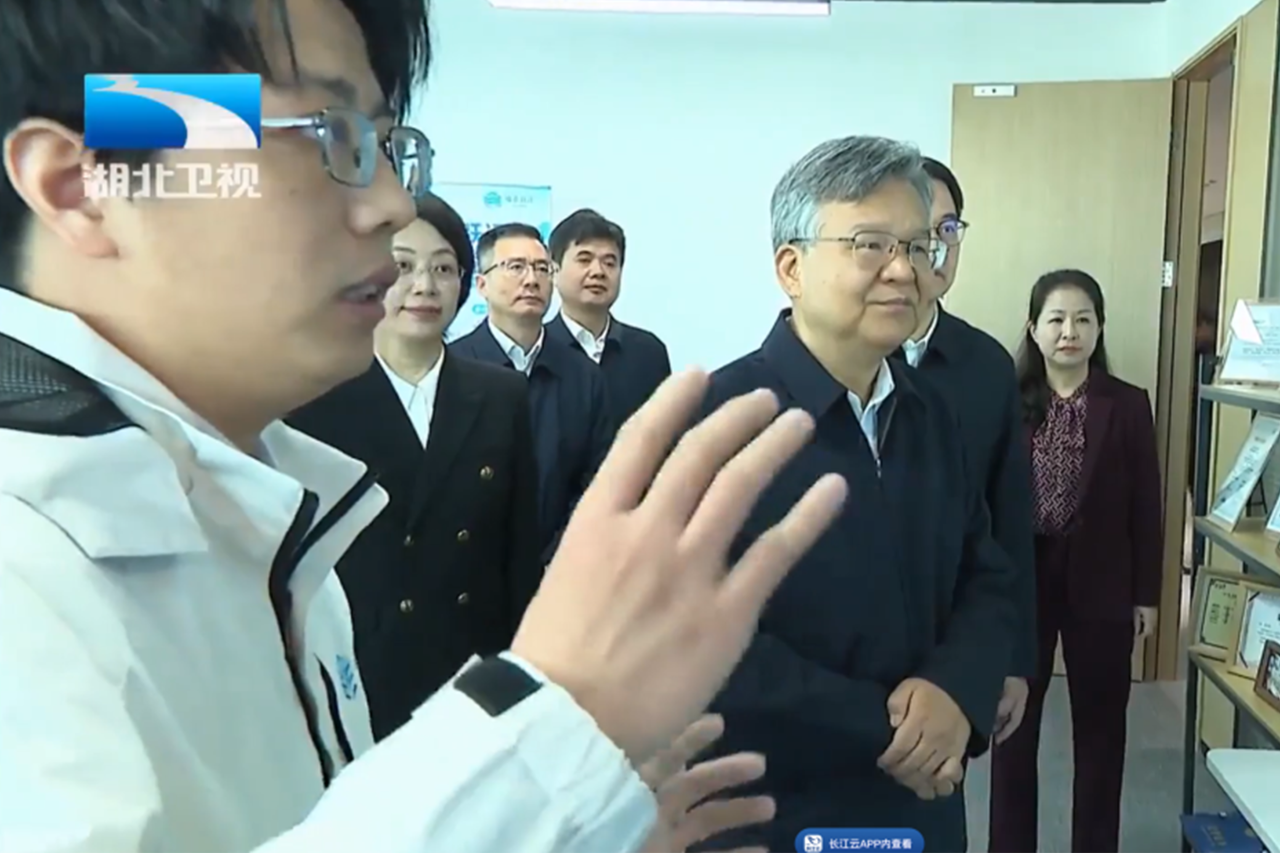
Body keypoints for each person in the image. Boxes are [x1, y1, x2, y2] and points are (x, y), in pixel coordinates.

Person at [0, 0, 852, 850]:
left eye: (384, 143)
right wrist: (562, 717)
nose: (389, 200)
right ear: (86, 187)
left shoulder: (261, 515)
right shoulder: (24, 560)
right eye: (326, 134)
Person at [692, 136, 1019, 853]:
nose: (904, 269)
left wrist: (956, 691)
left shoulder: (932, 413)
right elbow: (701, 639)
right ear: (792, 267)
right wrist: (892, 727)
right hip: (777, 804)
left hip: (922, 796)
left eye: (919, 245)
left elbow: (985, 574)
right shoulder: (720, 421)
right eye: (870, 244)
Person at [288, 192, 542, 740]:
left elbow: (520, 548)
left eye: (443, 269)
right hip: (357, 668)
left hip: (470, 669)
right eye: (403, 267)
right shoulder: (317, 394)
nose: (424, 286)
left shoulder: (501, 394)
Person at [988, 269, 1163, 853]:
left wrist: (1146, 595)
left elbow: (1147, 506)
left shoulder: (1128, 404)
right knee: (1013, 729)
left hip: (1103, 584)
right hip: (1024, 582)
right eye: (1057, 319)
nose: (1070, 332)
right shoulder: (1005, 402)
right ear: (1033, 328)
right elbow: (984, 502)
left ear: (1099, 328)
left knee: (1102, 733)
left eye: (1083, 319)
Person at [898, 157, 1036, 744]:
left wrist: (1015, 658)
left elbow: (1010, 519)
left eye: (948, 229)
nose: (935, 247)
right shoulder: (845, 360)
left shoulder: (986, 365)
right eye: (917, 229)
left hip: (961, 635)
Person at [450, 224, 614, 562]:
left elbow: (597, 480)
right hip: (470, 569)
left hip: (563, 567)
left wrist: (558, 557)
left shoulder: (583, 375)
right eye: (516, 267)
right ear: (482, 285)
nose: (531, 279)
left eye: (542, 269)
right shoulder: (453, 367)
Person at [546, 208, 672, 425]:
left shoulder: (649, 352)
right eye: (584, 260)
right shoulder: (538, 350)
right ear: (554, 272)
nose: (598, 272)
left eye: (610, 262)